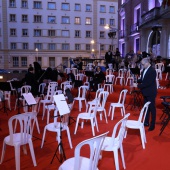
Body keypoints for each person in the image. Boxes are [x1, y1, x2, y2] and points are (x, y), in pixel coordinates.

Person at [137, 58, 157, 131]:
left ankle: (152, 124)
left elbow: (148, 82)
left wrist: (138, 86)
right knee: (146, 108)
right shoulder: (143, 70)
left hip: (151, 92)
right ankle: (146, 122)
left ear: (147, 63)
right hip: (145, 92)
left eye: (143, 64)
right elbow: (143, 79)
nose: (142, 65)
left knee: (152, 108)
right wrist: (137, 81)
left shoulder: (152, 71)